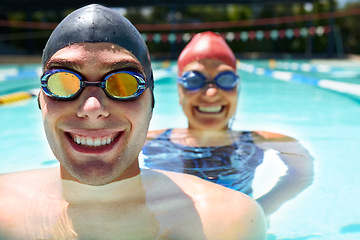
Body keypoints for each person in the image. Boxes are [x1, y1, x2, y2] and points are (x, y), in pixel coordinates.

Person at [0, 5, 267, 240]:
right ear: (40, 100)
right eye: (63, 81)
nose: (92, 108)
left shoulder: (227, 222)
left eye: (123, 84)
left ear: (151, 103)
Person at [141, 31, 314, 216]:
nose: (211, 93)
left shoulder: (259, 142)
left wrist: (260, 211)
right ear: (179, 91)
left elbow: (302, 173)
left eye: (225, 80)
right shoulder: (149, 141)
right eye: (194, 80)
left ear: (237, 90)